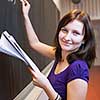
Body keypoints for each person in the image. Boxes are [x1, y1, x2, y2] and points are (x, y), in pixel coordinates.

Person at [19, 0, 96, 100]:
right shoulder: (60, 55)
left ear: (84, 40)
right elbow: (35, 43)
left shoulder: (78, 68)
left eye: (75, 33)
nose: (67, 38)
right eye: (64, 30)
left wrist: (46, 86)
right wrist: (26, 16)